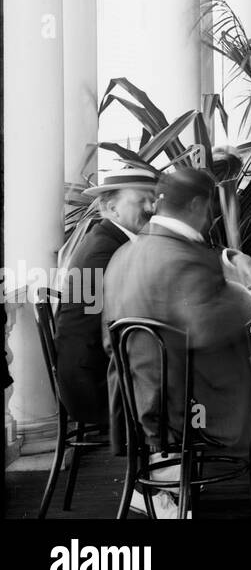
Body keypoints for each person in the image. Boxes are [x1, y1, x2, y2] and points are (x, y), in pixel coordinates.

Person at [102, 168, 251, 519]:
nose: (209, 219)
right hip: (187, 406)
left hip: (141, 397)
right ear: (196, 205)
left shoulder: (124, 256)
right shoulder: (181, 259)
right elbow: (206, 329)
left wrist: (229, 259)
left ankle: (166, 473)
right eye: (207, 211)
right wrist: (248, 296)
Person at [56, 167, 157, 427]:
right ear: (112, 209)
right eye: (140, 200)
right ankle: (168, 459)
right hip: (99, 384)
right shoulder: (107, 251)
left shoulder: (107, 239)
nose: (150, 207)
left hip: (94, 371)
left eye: (153, 199)